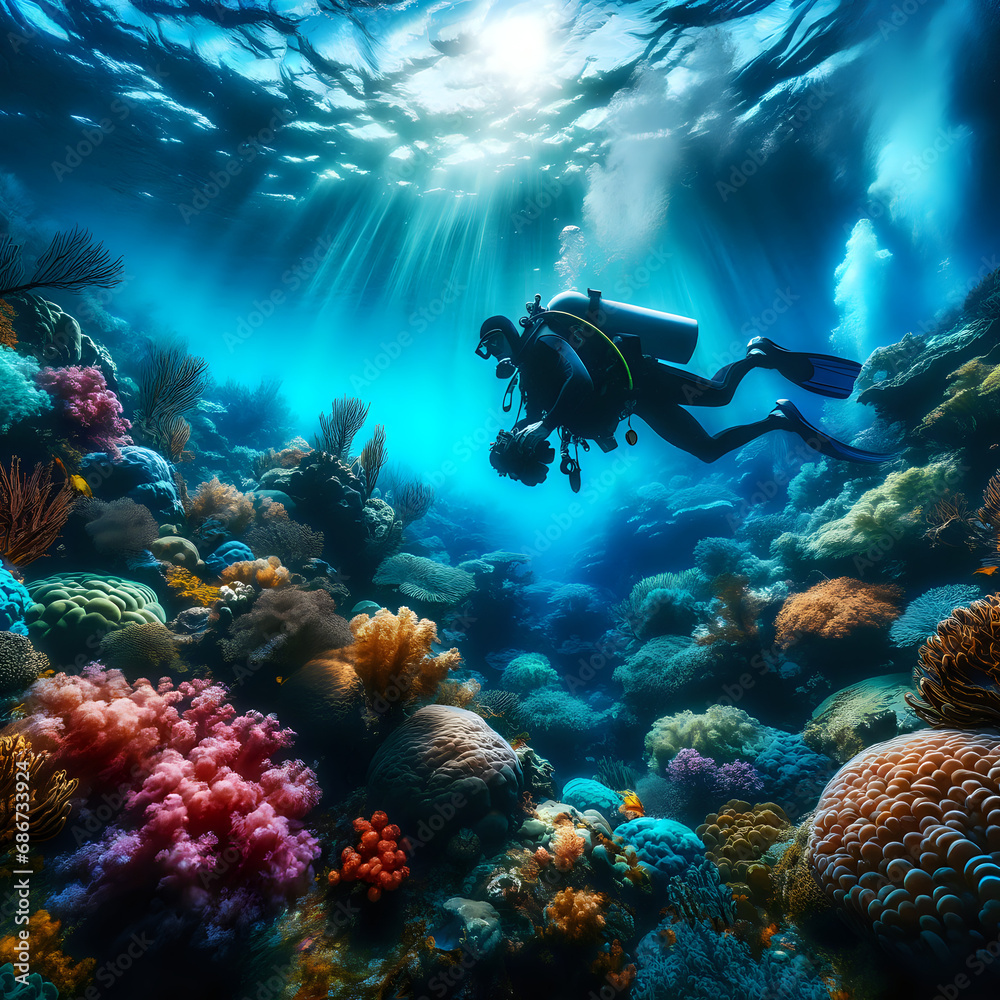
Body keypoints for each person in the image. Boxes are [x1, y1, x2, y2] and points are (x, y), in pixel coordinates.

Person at [476, 290, 894, 488]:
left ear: (501, 333)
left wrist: (545, 426)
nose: (492, 355)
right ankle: (779, 419)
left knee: (719, 394)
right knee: (708, 451)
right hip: (633, 402)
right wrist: (516, 444)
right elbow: (548, 413)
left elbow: (579, 380)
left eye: (489, 345)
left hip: (642, 379)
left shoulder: (545, 337)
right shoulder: (528, 374)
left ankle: (757, 354)